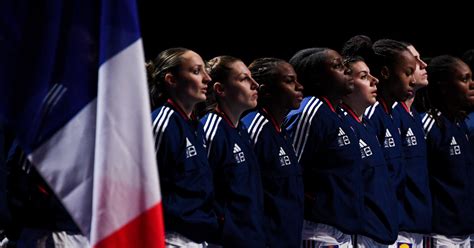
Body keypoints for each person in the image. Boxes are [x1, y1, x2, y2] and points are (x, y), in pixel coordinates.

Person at [344, 35, 421, 247]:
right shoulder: (370, 116)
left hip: (389, 229)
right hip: (368, 232)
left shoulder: (389, 116)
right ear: (387, 73)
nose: (412, 80)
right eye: (407, 73)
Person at [284, 47, 364, 247]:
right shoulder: (310, 111)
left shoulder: (338, 113)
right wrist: (316, 204)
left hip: (341, 229)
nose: (346, 70)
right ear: (317, 78)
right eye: (337, 66)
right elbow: (290, 172)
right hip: (316, 229)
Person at [147, 47, 218, 247]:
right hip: (170, 238)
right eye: (196, 71)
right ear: (171, 80)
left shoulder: (195, 126)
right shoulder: (162, 123)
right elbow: (144, 187)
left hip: (197, 238)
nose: (207, 79)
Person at [200, 55, 264, 247]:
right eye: (244, 79)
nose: (255, 85)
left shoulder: (242, 129)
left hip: (250, 239)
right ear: (220, 89)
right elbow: (202, 191)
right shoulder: (209, 129)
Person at [241, 57, 304, 247]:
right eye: (289, 81)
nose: (299, 86)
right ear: (265, 90)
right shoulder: (254, 129)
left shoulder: (280, 129)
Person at [338, 54, 398, 247]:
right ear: (345, 84)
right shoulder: (341, 126)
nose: (375, 81)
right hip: (360, 235)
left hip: (382, 232)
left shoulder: (367, 125)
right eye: (364, 76)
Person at [418, 55, 474, 248]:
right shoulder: (427, 126)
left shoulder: (461, 124)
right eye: (464, 79)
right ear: (444, 86)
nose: (472, 85)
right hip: (441, 234)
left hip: (466, 231)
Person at [390, 42, 432, 247]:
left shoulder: (416, 116)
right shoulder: (389, 114)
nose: (424, 65)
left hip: (418, 226)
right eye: (415, 61)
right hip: (398, 228)